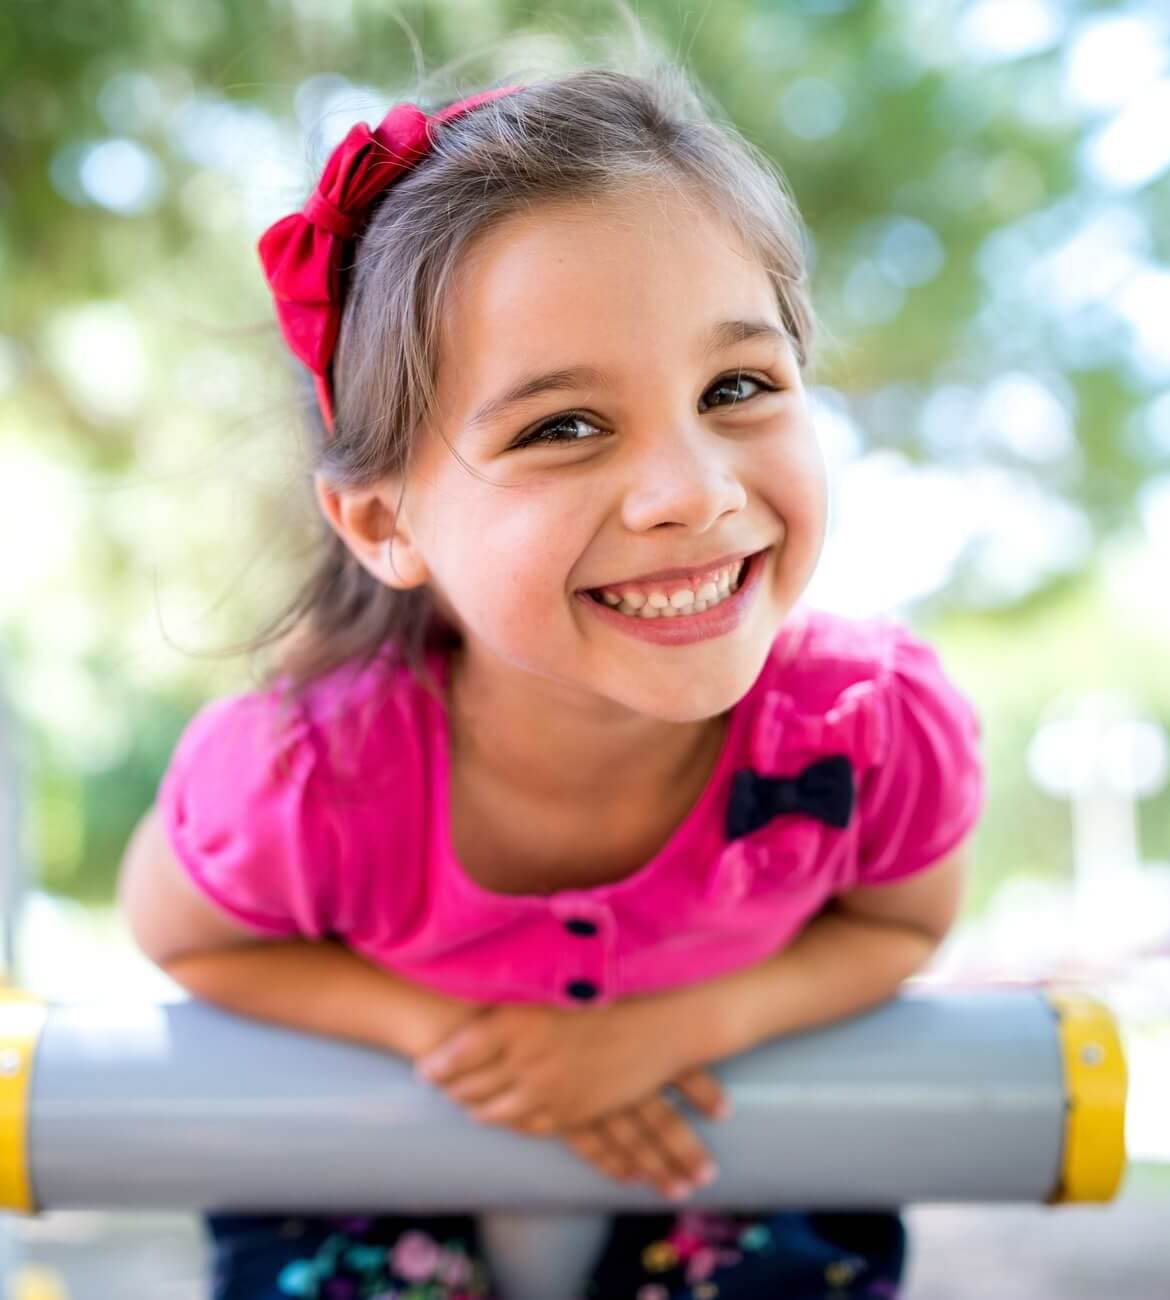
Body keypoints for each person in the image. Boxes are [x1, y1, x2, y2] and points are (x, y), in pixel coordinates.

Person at [118, 62, 986, 1300]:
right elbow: (185, 939)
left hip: (718, 1160)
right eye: (562, 425)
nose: (690, 490)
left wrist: (672, 1031)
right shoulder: (301, 779)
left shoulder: (870, 734)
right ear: (381, 520)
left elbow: (902, 924)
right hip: (375, 1177)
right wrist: (449, 1043)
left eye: (735, 387)